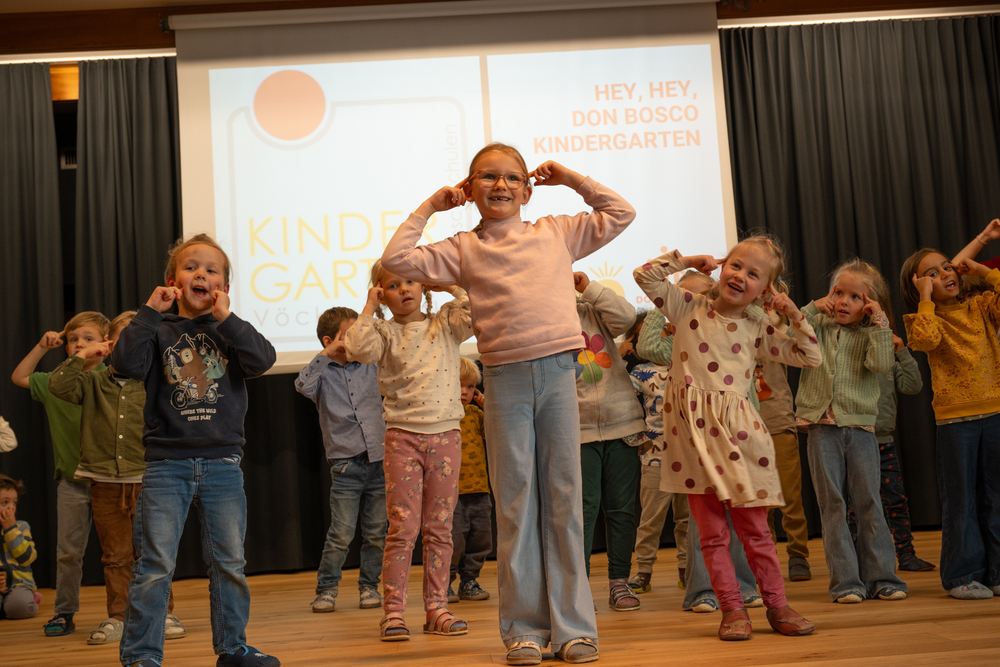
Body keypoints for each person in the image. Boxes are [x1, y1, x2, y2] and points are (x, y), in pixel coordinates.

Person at [382, 143, 635, 665]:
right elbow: (396, 259)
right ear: (469, 188)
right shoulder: (462, 246)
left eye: (511, 178)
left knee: (564, 499)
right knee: (517, 503)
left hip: (560, 376)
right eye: (487, 177)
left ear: (527, 188)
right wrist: (432, 205)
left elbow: (620, 212)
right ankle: (523, 630)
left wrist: (568, 177)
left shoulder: (557, 230)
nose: (500, 186)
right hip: (505, 380)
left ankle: (573, 628)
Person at [634, 237, 820, 641]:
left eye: (754, 274)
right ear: (721, 268)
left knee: (755, 529)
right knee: (712, 534)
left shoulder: (758, 325)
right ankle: (732, 609)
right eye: (735, 265)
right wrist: (686, 261)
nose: (740, 276)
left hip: (737, 441)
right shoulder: (688, 306)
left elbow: (810, 357)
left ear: (765, 289)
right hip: (692, 443)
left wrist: (794, 315)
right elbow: (644, 276)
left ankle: (777, 603)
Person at [112, 233, 279, 667]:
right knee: (155, 566)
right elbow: (124, 364)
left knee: (230, 564)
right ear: (172, 281)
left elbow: (263, 360)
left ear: (223, 286)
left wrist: (229, 317)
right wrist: (150, 311)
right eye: (191, 267)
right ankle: (141, 655)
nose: (200, 273)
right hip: (167, 465)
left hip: (223, 464)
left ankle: (233, 648)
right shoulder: (157, 329)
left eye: (211, 269)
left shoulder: (230, 331)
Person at [345, 261, 473, 642]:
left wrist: (451, 285)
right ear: (382, 293)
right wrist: (369, 307)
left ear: (424, 287)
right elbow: (355, 347)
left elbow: (475, 313)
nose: (404, 289)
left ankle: (437, 607)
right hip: (403, 438)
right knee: (403, 528)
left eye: (411, 282)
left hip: (446, 436)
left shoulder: (445, 322)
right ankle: (394, 612)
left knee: (440, 528)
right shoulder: (383, 333)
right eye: (392, 285)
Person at [49, 311, 185, 644]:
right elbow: (58, 385)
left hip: (149, 479)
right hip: (105, 482)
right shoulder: (92, 380)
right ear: (111, 345)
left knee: (154, 552)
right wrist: (83, 355)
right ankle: (119, 617)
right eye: (125, 341)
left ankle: (161, 613)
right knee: (115, 555)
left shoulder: (157, 383)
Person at [796, 259, 908, 604]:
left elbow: (880, 364)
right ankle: (846, 582)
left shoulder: (872, 334)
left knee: (869, 501)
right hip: (820, 427)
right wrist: (813, 308)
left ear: (870, 305)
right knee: (832, 503)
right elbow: (788, 333)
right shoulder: (818, 327)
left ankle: (882, 577)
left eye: (855, 297)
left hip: (859, 427)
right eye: (837, 293)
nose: (843, 301)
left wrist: (880, 325)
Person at [901, 241, 1000, 599]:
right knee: (961, 500)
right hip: (955, 423)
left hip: (995, 414)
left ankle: (996, 572)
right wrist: (925, 297)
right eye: (932, 274)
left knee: (995, 496)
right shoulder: (924, 318)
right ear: (920, 286)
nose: (944, 274)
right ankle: (961, 575)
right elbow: (925, 340)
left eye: (946, 267)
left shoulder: (982, 306)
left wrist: (985, 272)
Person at [11, 311, 110, 636]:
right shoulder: (54, 383)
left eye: (88, 338)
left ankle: (125, 613)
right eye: (73, 339)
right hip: (72, 481)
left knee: (122, 553)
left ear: (105, 345)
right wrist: (41, 347)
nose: (79, 344)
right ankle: (65, 613)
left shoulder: (112, 377)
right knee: (69, 553)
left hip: (112, 481)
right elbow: (19, 376)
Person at [295, 306, 387, 614]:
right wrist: (326, 354)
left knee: (376, 532)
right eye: (350, 335)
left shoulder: (370, 365)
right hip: (346, 465)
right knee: (341, 533)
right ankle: (326, 589)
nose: (358, 340)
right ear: (329, 340)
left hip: (379, 459)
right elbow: (302, 385)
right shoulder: (321, 374)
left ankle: (369, 586)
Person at [628, 271, 712, 594]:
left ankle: (686, 568)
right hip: (655, 456)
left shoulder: (696, 354)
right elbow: (624, 400)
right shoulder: (644, 370)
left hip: (690, 455)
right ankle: (643, 571)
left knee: (686, 519)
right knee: (650, 517)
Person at [573, 271, 646, 612]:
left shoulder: (592, 306)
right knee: (582, 512)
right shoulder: (544, 315)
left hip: (623, 424)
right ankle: (578, 586)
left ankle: (619, 580)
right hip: (577, 431)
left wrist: (587, 286)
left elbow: (628, 317)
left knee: (621, 509)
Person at [845, 312, 935, 573]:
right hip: (857, 441)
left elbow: (913, 385)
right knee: (855, 505)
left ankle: (906, 554)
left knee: (895, 501)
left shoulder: (890, 361)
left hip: (884, 443)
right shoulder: (851, 359)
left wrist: (902, 351)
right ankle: (857, 560)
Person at [755, 280, 811, 582]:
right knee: (760, 501)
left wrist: (780, 304)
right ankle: (768, 555)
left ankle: (798, 554)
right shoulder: (734, 329)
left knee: (790, 495)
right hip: (746, 428)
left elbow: (802, 342)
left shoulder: (778, 333)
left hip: (779, 422)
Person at [447, 357, 492, 604]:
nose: (465, 392)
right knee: (453, 540)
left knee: (480, 539)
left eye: (471, 387)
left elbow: (493, 436)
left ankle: (470, 581)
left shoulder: (475, 413)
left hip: (479, 489)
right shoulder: (441, 414)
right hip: (451, 493)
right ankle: (445, 584)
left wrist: (489, 410)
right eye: (458, 385)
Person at [0, 474, 38, 620]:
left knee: (20, 608)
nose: (11, 507)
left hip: (19, 585)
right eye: (4, 502)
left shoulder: (22, 527)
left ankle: (28, 599)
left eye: (14, 503)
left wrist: (10, 529)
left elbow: (26, 558)